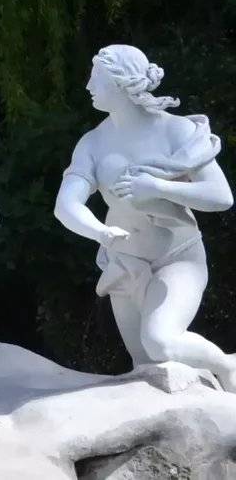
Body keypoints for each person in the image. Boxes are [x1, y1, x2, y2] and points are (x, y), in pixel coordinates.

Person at [55, 45, 236, 388]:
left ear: (122, 83)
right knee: (147, 366)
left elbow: (221, 197)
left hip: (177, 259)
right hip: (125, 262)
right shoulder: (93, 143)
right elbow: (66, 205)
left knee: (162, 342)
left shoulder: (177, 131)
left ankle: (226, 366)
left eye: (97, 77)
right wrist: (100, 232)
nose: (89, 86)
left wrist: (159, 188)